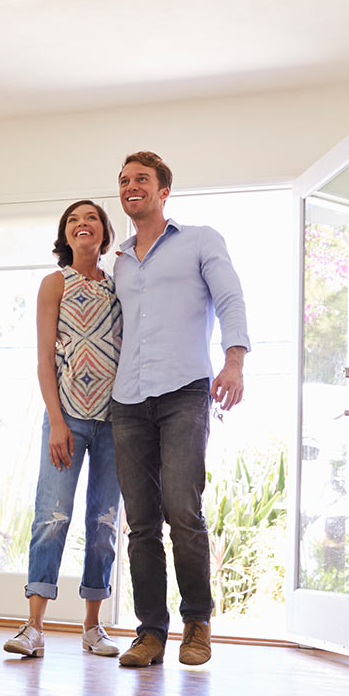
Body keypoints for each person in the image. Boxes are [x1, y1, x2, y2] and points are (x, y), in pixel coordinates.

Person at [110, 151, 249, 669]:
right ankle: (150, 632)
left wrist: (233, 362)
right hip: (126, 400)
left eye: (141, 179)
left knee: (182, 511)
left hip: (185, 391)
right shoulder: (119, 260)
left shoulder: (199, 240)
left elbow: (231, 298)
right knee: (141, 524)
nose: (131, 187)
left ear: (164, 191)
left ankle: (198, 624)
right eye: (124, 181)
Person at [3, 199, 124, 659]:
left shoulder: (118, 287)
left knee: (104, 523)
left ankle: (93, 627)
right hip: (68, 418)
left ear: (104, 231)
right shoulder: (54, 283)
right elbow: (43, 360)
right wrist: (56, 421)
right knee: (52, 518)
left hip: (114, 421)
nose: (81, 225)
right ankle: (33, 627)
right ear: (65, 235)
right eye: (73, 220)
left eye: (90, 218)